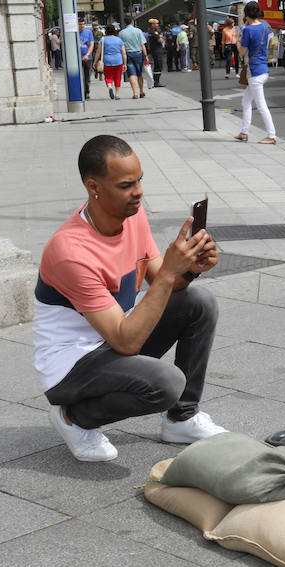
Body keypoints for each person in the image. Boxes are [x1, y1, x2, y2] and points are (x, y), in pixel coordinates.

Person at [33, 135, 227, 462]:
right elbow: (127, 342)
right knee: (165, 384)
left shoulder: (132, 216)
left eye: (139, 181)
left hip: (114, 337)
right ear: (94, 187)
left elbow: (160, 277)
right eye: (126, 185)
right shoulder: (70, 251)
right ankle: (73, 418)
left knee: (199, 303)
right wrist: (168, 274)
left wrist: (189, 269)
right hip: (72, 366)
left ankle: (182, 419)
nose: (138, 191)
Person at [235, 1, 278, 144]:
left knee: (261, 105)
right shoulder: (265, 27)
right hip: (263, 69)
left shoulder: (247, 30)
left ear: (246, 14)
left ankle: (271, 135)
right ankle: (244, 132)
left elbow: (242, 52)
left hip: (254, 72)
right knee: (245, 101)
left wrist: (237, 41)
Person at [118, 18, 148, 100]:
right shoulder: (138, 31)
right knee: (139, 74)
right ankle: (141, 91)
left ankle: (135, 93)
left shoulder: (121, 33)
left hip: (127, 54)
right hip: (138, 53)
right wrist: (146, 56)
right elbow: (142, 45)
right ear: (132, 22)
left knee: (131, 74)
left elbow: (121, 46)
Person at [94, 24, 127, 100]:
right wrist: (125, 63)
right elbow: (124, 53)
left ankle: (109, 87)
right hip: (118, 60)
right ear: (114, 31)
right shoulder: (119, 40)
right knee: (118, 77)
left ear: (106, 31)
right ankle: (117, 94)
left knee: (108, 76)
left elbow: (98, 52)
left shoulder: (102, 40)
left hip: (107, 60)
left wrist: (95, 62)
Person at [78, 18, 94, 100]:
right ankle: (79, 92)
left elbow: (91, 45)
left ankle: (86, 92)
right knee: (78, 76)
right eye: (80, 24)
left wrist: (87, 55)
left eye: (83, 24)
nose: (82, 26)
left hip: (87, 58)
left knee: (87, 77)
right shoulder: (74, 33)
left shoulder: (89, 33)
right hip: (77, 59)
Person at [148, 20, 165, 87]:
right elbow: (161, 40)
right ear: (153, 24)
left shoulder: (151, 32)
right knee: (158, 66)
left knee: (158, 66)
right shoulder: (153, 32)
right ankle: (156, 81)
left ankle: (156, 81)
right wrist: (161, 37)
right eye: (157, 24)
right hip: (157, 50)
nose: (158, 25)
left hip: (155, 50)